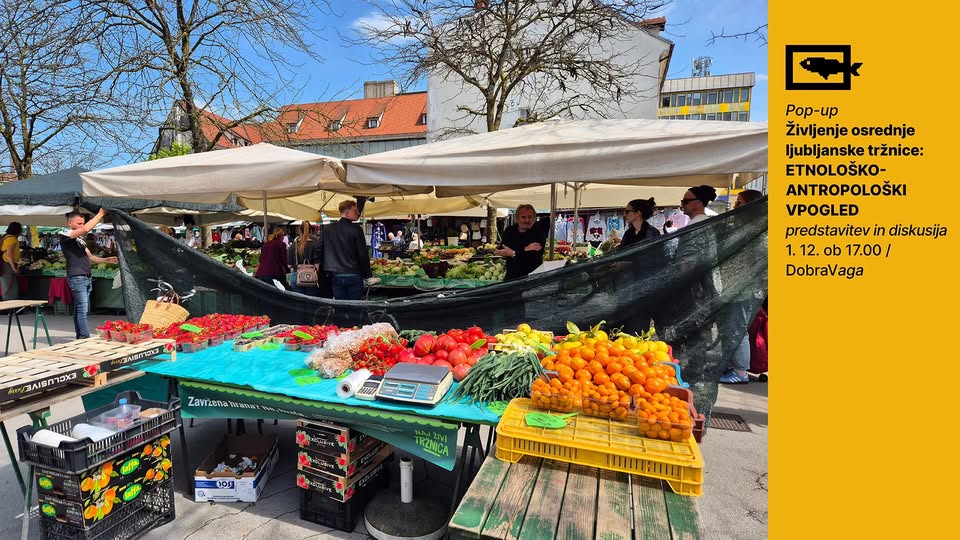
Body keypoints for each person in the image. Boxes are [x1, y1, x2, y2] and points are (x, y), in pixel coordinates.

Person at [719, 189, 766, 385]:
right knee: (732, 328)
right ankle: (735, 366)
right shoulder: (745, 227)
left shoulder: (757, 230)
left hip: (745, 289)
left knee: (737, 329)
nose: (735, 205)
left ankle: (740, 371)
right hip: (734, 287)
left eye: (740, 202)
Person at [62, 209, 118, 339]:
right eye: (79, 223)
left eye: (83, 223)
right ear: (70, 223)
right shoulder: (65, 235)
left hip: (85, 276)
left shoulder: (79, 239)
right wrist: (99, 215)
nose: (82, 225)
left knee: (79, 308)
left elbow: (90, 257)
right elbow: (86, 229)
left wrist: (106, 260)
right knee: (82, 309)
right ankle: (84, 337)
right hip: (77, 277)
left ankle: (80, 336)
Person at [316, 200, 372, 300]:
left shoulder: (328, 229)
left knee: (340, 308)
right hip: (354, 274)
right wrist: (367, 274)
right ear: (347, 212)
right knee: (355, 308)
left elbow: (318, 249)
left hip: (335, 275)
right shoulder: (356, 229)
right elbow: (363, 254)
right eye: (355, 211)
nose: (358, 213)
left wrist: (321, 267)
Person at [495, 204, 546, 280]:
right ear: (517, 218)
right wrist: (525, 249)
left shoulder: (539, 233)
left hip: (532, 278)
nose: (527, 220)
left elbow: (534, 256)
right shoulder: (509, 231)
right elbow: (502, 250)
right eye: (523, 217)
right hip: (512, 277)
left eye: (530, 217)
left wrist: (513, 253)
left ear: (534, 218)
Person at [288, 221, 330, 297]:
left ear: (299, 230)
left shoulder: (294, 245)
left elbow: (289, 265)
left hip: (297, 275)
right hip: (311, 276)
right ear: (310, 231)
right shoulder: (315, 244)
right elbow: (317, 265)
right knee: (311, 302)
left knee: (299, 302)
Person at [1, 222, 23, 300]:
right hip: (7, 265)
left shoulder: (6, 237)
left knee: (7, 286)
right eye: (21, 229)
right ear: (17, 230)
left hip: (6, 264)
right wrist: (14, 268)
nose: (22, 231)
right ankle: (10, 307)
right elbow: (9, 254)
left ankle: (9, 307)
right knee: (10, 287)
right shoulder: (12, 239)